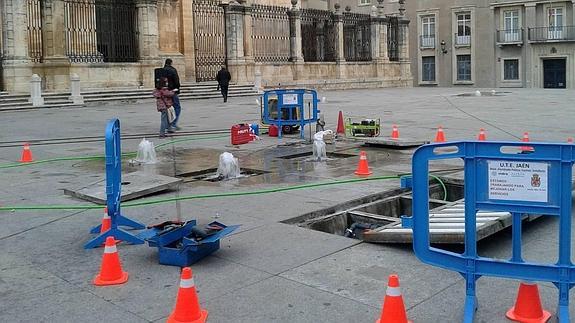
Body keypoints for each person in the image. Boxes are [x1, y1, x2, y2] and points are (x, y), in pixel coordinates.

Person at [163, 58, 181, 129]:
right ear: (171, 63)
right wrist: (177, 89)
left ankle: (167, 124)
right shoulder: (173, 70)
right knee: (177, 107)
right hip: (173, 91)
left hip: (165, 91)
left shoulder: (162, 70)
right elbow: (176, 81)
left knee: (168, 108)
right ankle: (173, 123)